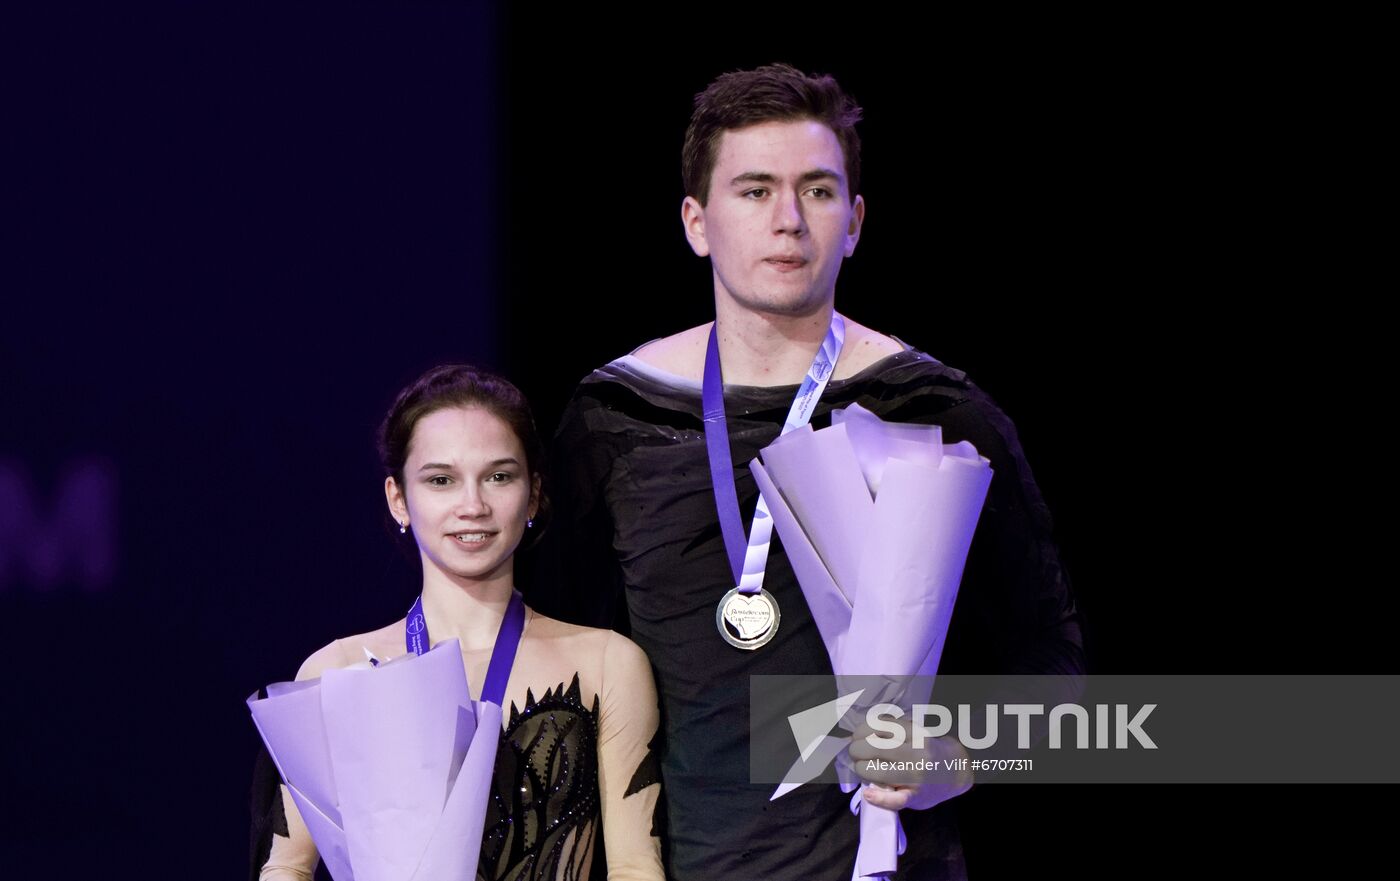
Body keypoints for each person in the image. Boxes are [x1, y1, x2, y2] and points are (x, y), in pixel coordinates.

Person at [528, 65, 1085, 880]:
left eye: (817, 191)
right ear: (696, 221)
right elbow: (557, 669)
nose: (788, 220)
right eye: (754, 191)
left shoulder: (935, 407)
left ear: (855, 221)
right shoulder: (617, 418)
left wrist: (959, 757)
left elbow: (1060, 681)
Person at [253, 365, 665, 881]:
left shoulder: (607, 662)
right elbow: (286, 867)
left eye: (499, 476)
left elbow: (634, 866)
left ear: (533, 494)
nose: (473, 505)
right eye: (441, 480)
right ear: (398, 498)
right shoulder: (337, 669)